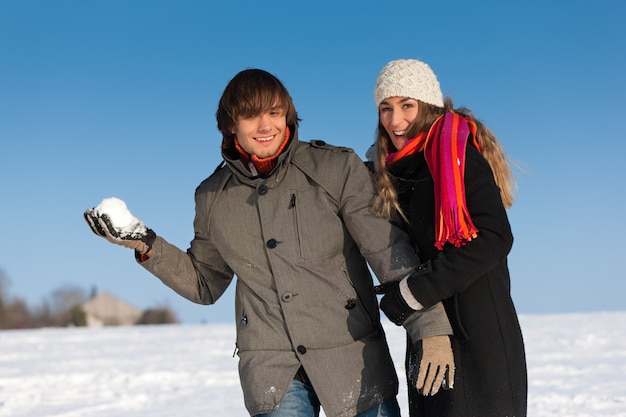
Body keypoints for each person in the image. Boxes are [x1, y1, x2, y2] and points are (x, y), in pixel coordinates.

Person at [84, 68, 456, 417]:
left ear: (288, 116)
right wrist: (146, 244)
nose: (266, 126)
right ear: (231, 124)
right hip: (272, 367)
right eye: (251, 116)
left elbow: (387, 251)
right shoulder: (212, 197)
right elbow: (205, 283)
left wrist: (431, 328)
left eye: (275, 113)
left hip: (351, 352)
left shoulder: (335, 169)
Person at [369, 59, 528, 417]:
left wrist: (413, 293)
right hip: (430, 334)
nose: (395, 121)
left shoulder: (458, 157)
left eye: (406, 106)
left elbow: (494, 236)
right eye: (386, 108)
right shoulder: (394, 171)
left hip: (479, 339)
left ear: (427, 106)